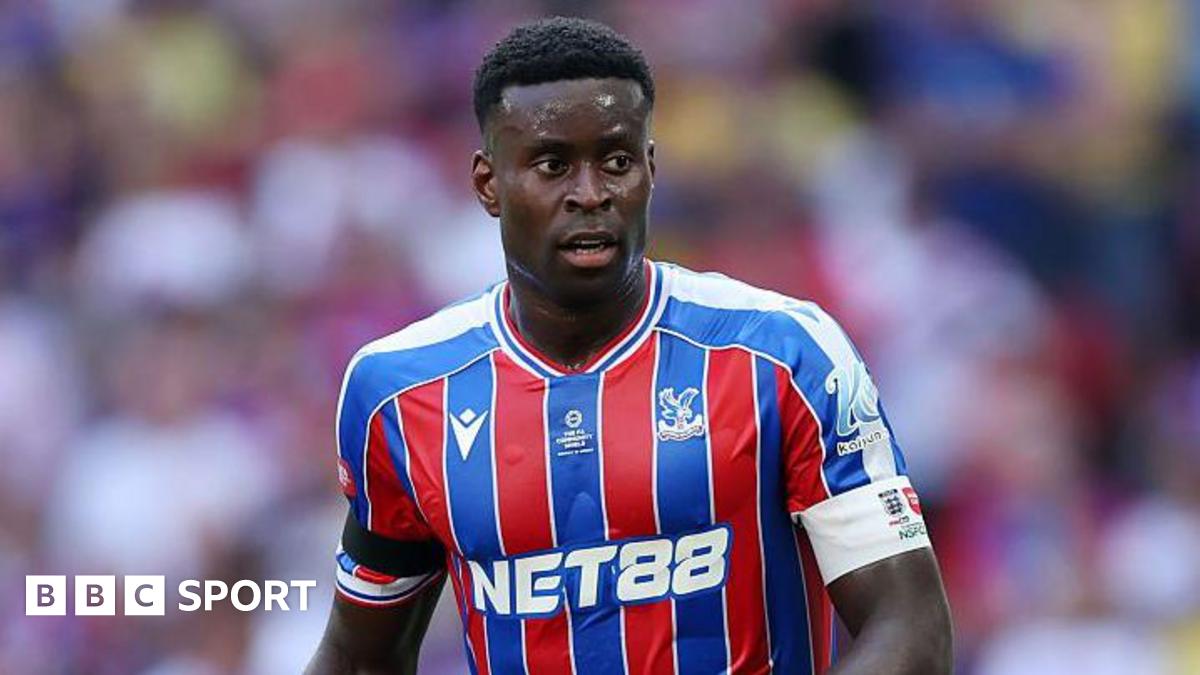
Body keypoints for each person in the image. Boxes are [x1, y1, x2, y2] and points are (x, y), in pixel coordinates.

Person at [305, 16, 952, 675]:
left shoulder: (783, 354)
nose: (591, 195)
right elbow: (360, 659)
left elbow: (909, 623)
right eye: (552, 165)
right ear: (488, 184)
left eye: (616, 162)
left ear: (650, 170)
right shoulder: (400, 391)